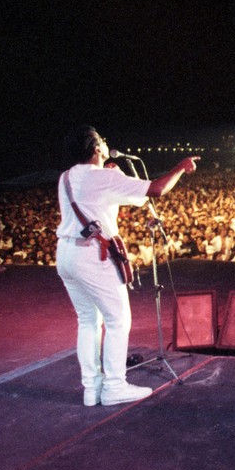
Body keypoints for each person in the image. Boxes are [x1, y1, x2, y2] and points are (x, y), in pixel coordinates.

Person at [56, 126, 199, 407]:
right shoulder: (102, 177)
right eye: (103, 141)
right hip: (92, 257)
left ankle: (91, 388)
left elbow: (134, 198)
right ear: (97, 148)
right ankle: (113, 387)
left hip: (66, 254)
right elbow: (155, 189)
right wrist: (181, 167)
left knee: (87, 322)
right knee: (117, 320)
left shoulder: (66, 178)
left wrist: (116, 177)